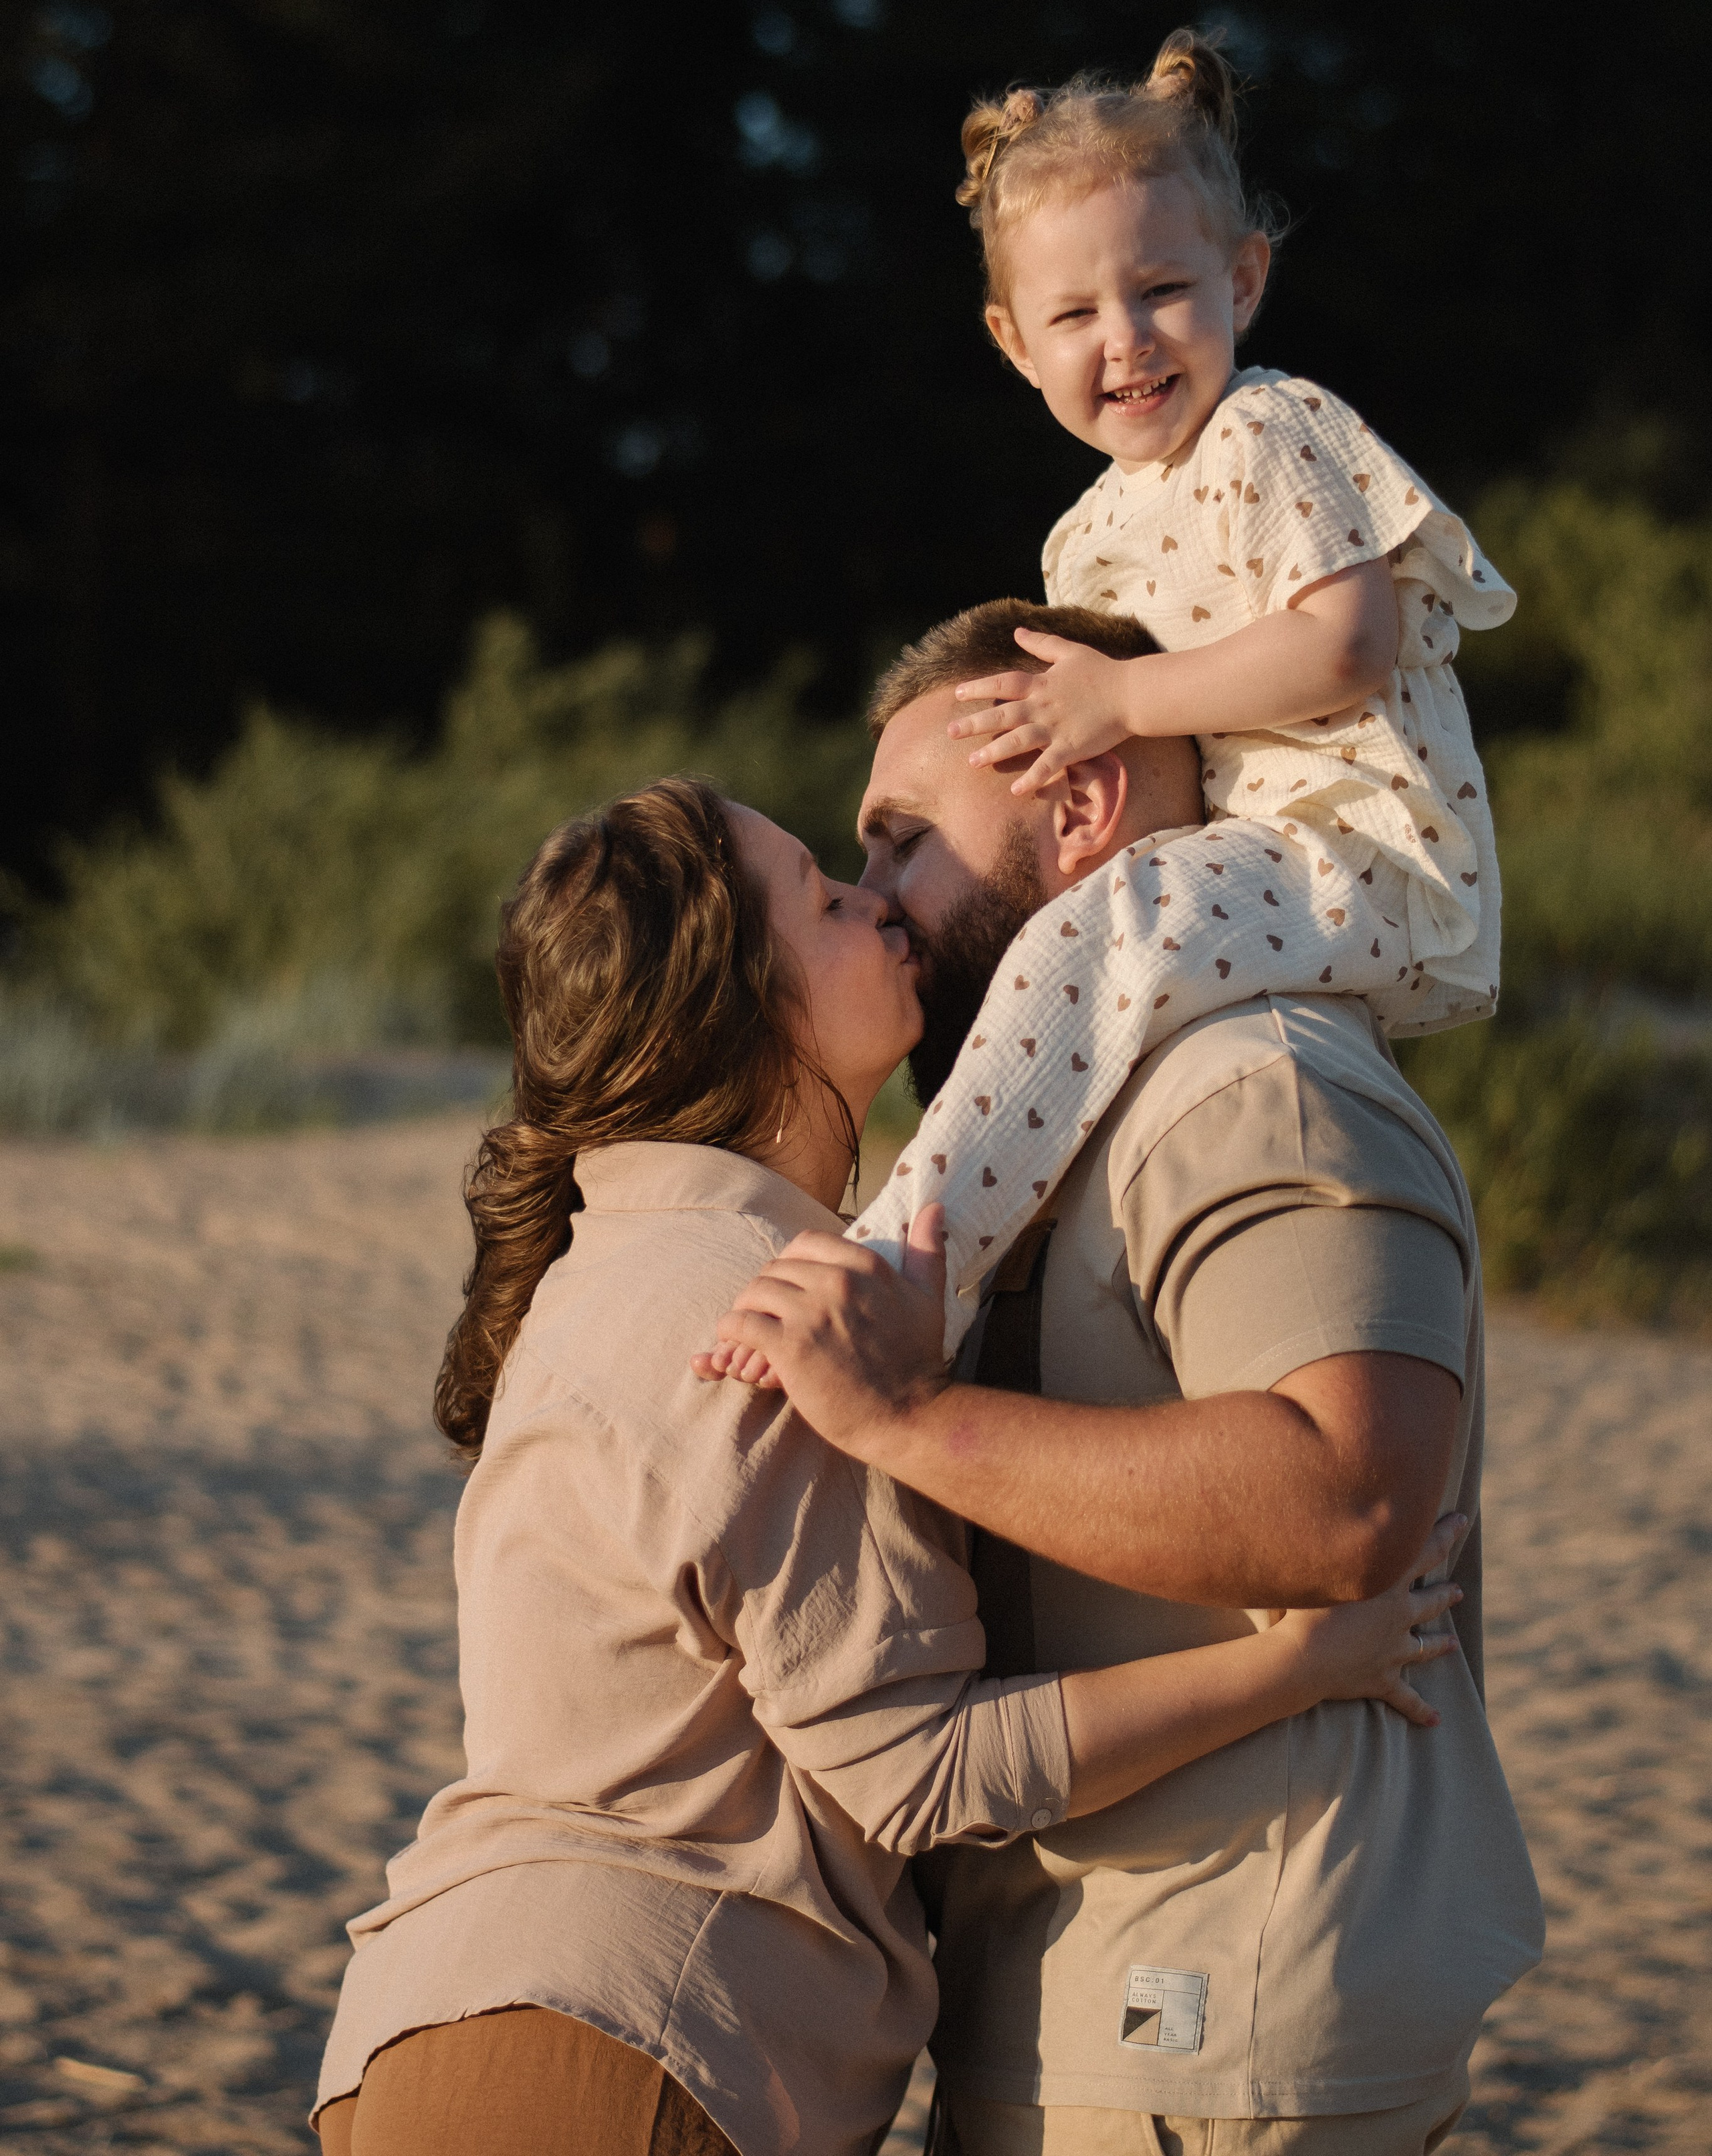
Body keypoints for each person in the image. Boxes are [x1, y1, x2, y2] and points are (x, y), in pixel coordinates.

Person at [312, 775, 1462, 2156]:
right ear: (746, 1007)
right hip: (617, 2053)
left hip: (439, 2026)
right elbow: (922, 1770)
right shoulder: (768, 1318)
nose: (874, 905)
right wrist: (1298, 1664)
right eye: (823, 898)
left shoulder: (608, 1266)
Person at [703, 610, 1545, 2156]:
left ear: (1081, 801)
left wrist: (904, 1420)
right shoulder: (1049, 1124)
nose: (875, 900)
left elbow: (1348, 1496)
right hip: (1109, 2005)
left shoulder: (1246, 1085)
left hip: (1212, 2006)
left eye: (902, 843)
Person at [844, 30, 1517, 1330]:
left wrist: (1121, 703)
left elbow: (1347, 642)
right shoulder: (1085, 532)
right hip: (1237, 851)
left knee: (1092, 933)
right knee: (1072, 936)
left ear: (1242, 280)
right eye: (1074, 315)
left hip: (1346, 843)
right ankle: (974, 1239)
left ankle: (905, 1253)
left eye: (1161, 289)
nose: (1127, 340)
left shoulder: (1268, 428)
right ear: (1010, 340)